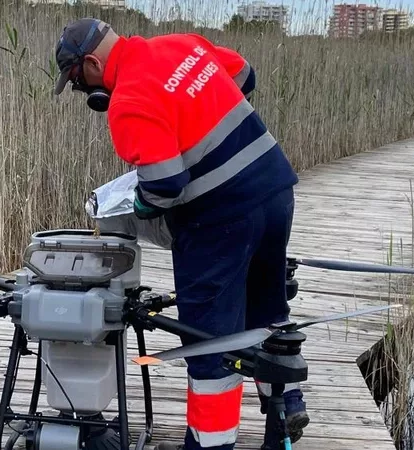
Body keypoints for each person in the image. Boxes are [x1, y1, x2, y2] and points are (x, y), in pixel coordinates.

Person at [52, 18, 309, 450]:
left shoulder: (128, 100)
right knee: (266, 311)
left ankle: (211, 444)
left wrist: (137, 205)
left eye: (78, 82)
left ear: (93, 63)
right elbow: (245, 74)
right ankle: (284, 413)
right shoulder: (179, 44)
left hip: (220, 221)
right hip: (275, 190)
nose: (84, 93)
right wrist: (202, 117)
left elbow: (165, 185)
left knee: (212, 344)